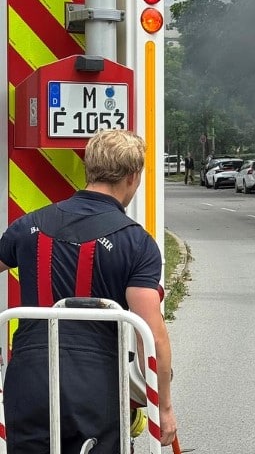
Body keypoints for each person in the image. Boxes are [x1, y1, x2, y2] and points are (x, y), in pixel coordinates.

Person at [0, 129, 177, 451]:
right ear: (133, 177)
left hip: (29, 378)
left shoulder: (28, 226)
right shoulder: (136, 243)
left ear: (89, 168)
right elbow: (152, 335)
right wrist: (162, 407)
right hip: (94, 386)